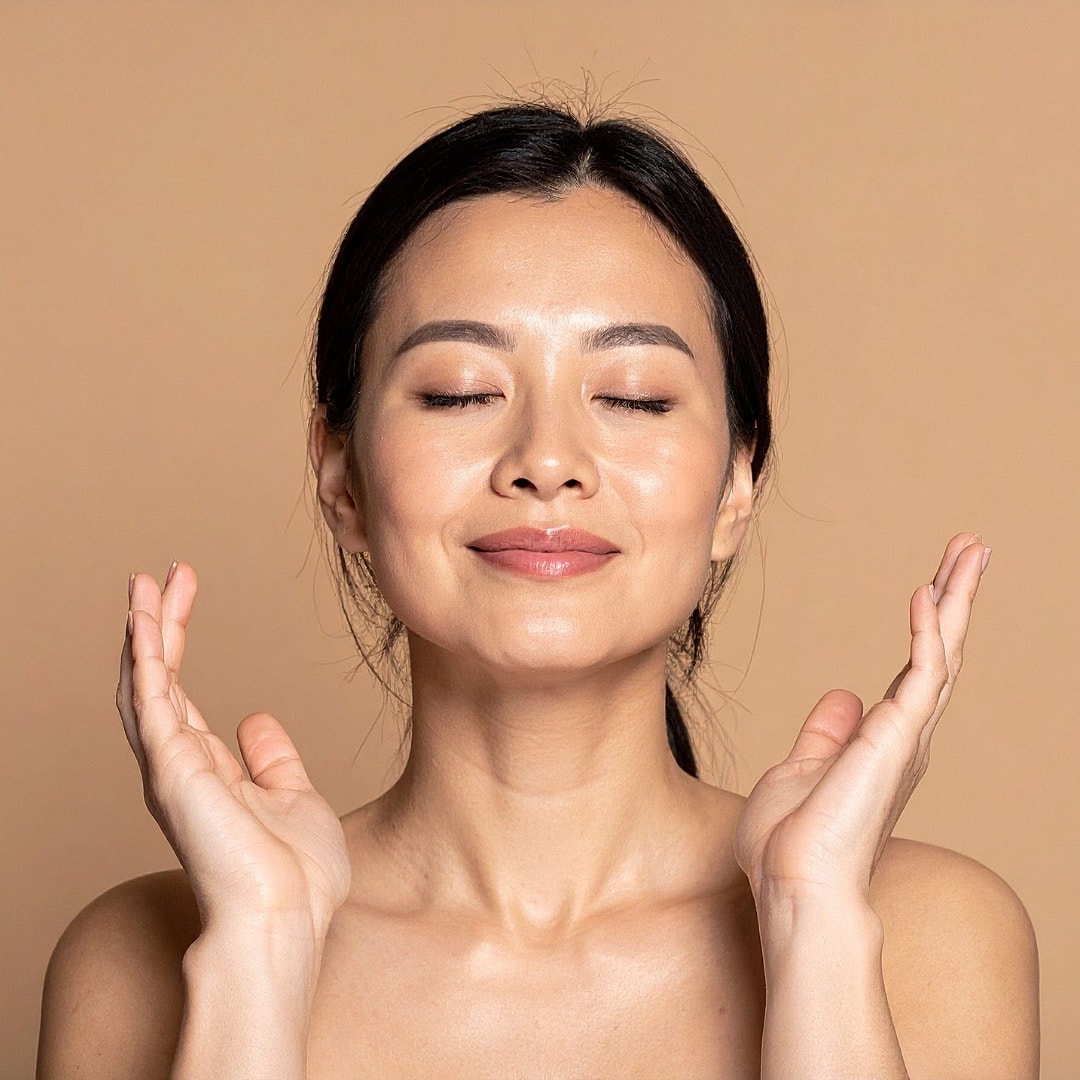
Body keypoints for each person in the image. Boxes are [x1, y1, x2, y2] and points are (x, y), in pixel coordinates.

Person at [37, 102, 1039, 1079]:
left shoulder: (931, 941)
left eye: (635, 396)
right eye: (459, 391)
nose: (547, 460)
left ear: (738, 482)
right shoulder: (133, 965)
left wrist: (813, 919)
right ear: (339, 475)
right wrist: (254, 951)